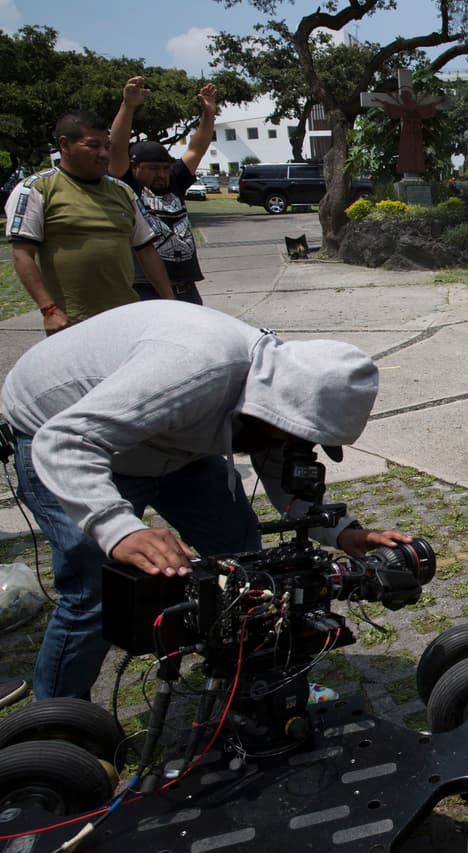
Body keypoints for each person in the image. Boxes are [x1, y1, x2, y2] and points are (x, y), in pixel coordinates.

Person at [0, 300, 413, 700]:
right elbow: (65, 440)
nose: (290, 445)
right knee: (97, 591)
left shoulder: (281, 391)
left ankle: (247, 680)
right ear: (267, 409)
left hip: (173, 441)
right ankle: (58, 726)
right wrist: (119, 529)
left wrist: (345, 534)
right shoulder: (192, 369)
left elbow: (287, 484)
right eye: (287, 435)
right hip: (59, 432)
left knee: (244, 560)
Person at [4, 109, 174, 335]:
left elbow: (147, 251)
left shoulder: (122, 191)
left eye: (107, 146)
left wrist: (170, 304)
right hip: (71, 323)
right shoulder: (36, 189)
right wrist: (50, 310)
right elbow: (22, 255)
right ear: (64, 145)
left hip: (126, 317)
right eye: (93, 146)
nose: (104, 154)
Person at [109, 76, 217, 304]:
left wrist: (208, 114)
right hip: (146, 289)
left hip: (186, 287)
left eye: (164, 168)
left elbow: (197, 148)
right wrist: (128, 106)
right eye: (152, 169)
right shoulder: (128, 185)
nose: (160, 174)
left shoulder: (174, 181)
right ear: (134, 166)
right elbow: (117, 148)